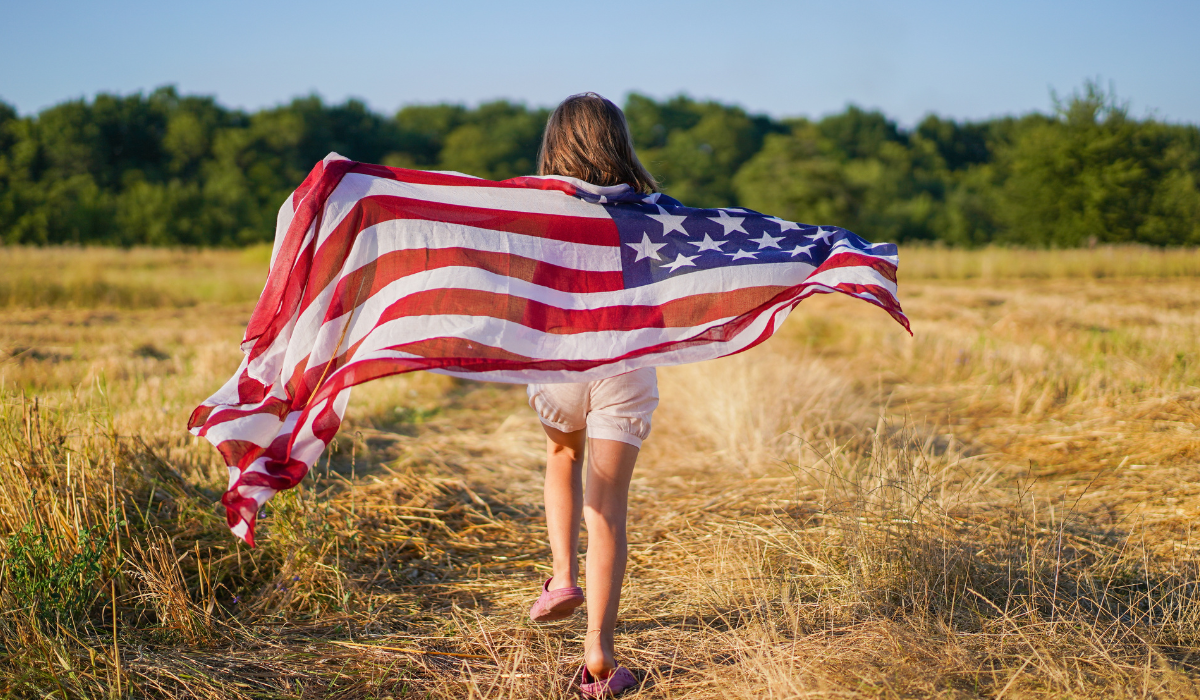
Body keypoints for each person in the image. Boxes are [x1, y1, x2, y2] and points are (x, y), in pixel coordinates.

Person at [524, 92, 659, 698]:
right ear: (619, 144)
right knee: (609, 509)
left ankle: (561, 579)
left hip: (560, 360)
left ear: (555, 145)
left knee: (562, 457)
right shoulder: (654, 212)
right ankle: (599, 657)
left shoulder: (533, 205)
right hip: (624, 365)